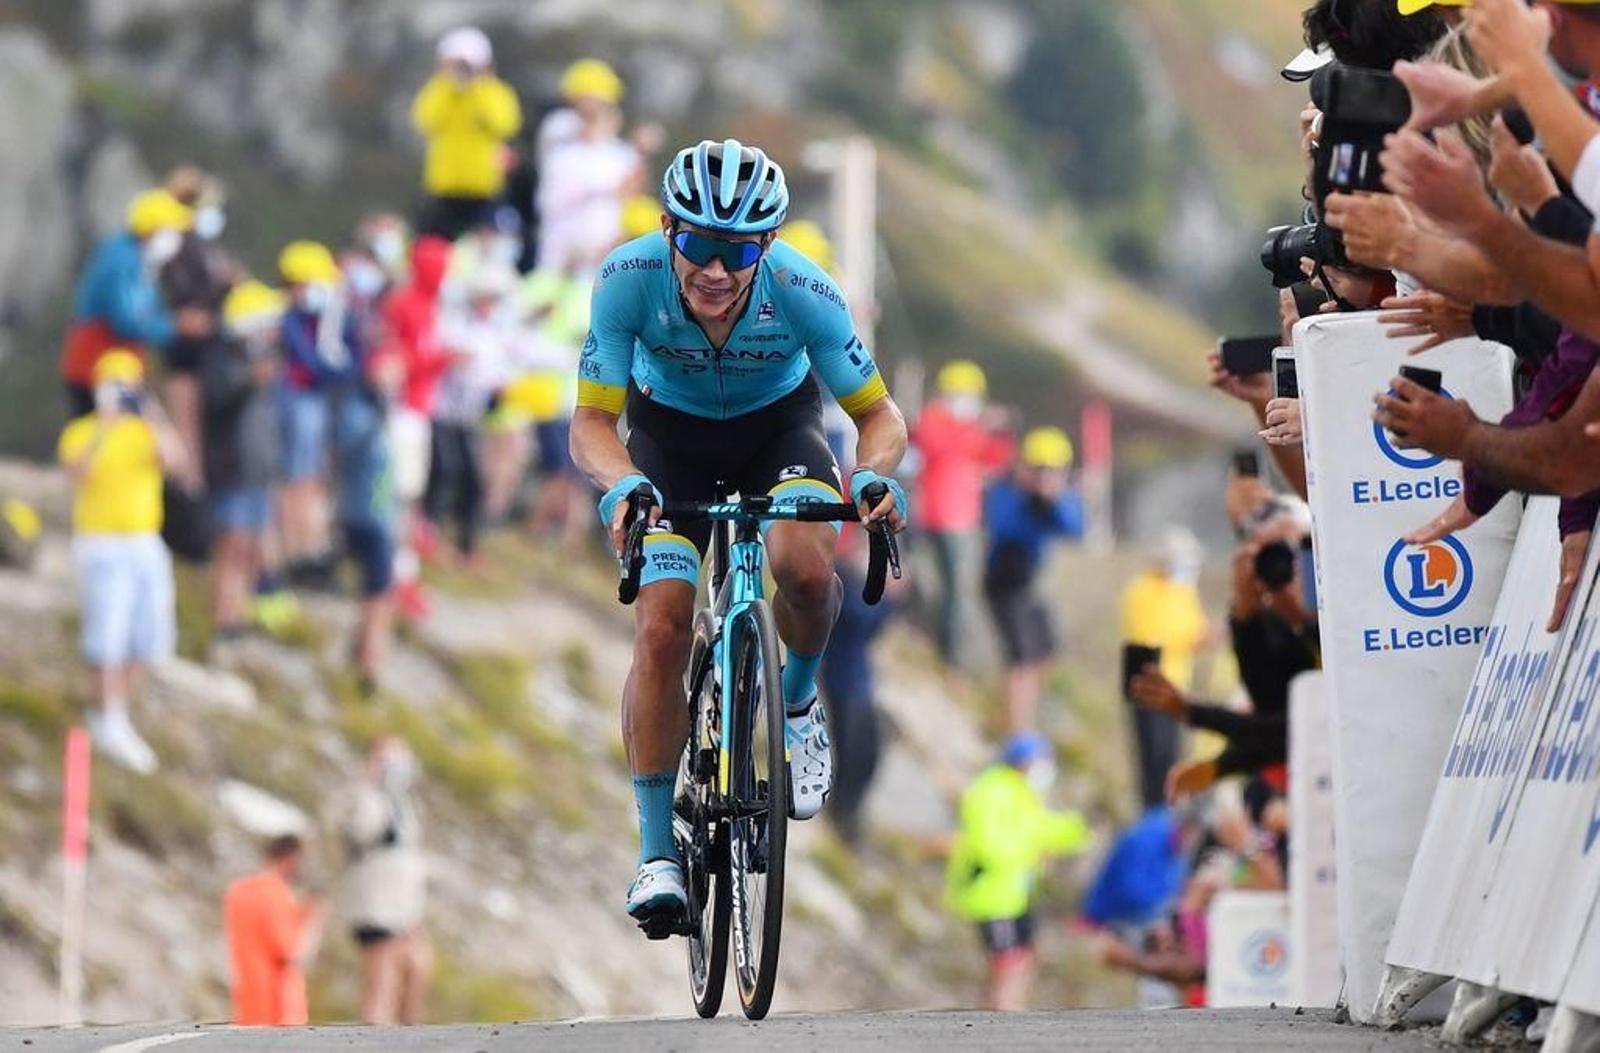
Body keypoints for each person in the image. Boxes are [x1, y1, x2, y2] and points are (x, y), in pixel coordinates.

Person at [569, 139, 909, 929]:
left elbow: (879, 415)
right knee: (661, 627)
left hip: (777, 433)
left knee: (807, 571)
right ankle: (658, 852)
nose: (717, 270)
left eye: (741, 250)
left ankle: (798, 700)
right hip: (667, 442)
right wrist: (623, 483)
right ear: (667, 228)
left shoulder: (802, 288)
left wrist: (871, 474)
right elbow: (591, 422)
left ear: (769, 244)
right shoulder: (627, 278)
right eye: (699, 243)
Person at [58, 351, 187, 773]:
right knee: (107, 634)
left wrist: (150, 413)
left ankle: (116, 711)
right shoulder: (82, 431)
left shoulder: (144, 431)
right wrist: (105, 427)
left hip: (144, 541)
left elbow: (175, 462)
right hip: (101, 543)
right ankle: (104, 715)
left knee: (149, 636)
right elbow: (75, 473)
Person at [946, 733, 1091, 1012]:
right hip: (991, 896)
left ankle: (1009, 1010)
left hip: (1016, 895)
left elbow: (1040, 827)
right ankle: (1000, 1014)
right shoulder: (989, 792)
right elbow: (989, 844)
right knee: (1007, 961)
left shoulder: (1022, 792)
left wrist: (1076, 830)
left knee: (1023, 957)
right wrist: (1029, 852)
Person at [910, 360, 1016, 669]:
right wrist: (979, 427)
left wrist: (1001, 431)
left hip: (964, 519)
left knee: (959, 592)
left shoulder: (972, 429)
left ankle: (950, 656)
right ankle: (940, 650)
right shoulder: (933, 421)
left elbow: (996, 459)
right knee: (939, 588)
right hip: (935, 517)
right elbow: (940, 447)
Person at [981, 426, 1086, 734]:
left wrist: (1053, 502)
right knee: (1022, 661)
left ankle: (1022, 721)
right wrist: (1030, 501)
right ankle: (1018, 732)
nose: (1045, 477)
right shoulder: (1007, 490)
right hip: (1005, 583)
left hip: (1030, 585)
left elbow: (1075, 528)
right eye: (1040, 469)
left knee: (1045, 654)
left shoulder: (1055, 499)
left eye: (1053, 471)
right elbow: (1002, 527)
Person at [202, 281, 285, 644]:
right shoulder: (223, 357)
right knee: (231, 546)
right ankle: (224, 618)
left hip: (256, 472)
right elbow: (219, 401)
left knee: (251, 546)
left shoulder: (260, 357)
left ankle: (239, 614)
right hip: (232, 470)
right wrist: (251, 379)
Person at [62, 189, 190, 416]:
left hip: (119, 368)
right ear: (152, 230)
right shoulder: (122, 262)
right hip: (96, 369)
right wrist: (176, 326)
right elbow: (127, 322)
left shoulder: (140, 259)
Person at [277, 240, 357, 583]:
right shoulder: (288, 320)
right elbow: (316, 365)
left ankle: (311, 549)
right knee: (297, 479)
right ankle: (295, 551)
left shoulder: (321, 319)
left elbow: (348, 361)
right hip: (297, 401)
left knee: (313, 479)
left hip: (315, 402)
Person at [335, 738, 430, 1025]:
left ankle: (408, 1037)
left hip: (405, 907)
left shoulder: (402, 804)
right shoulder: (363, 798)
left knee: (417, 968)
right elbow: (355, 832)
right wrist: (368, 782)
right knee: (381, 983)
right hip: (376, 906)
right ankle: (376, 1036)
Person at [1119, 527, 1208, 811]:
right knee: (1153, 758)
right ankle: (1153, 814)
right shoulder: (1141, 590)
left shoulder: (1183, 593)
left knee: (1171, 756)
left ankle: (1169, 812)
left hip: (1175, 686)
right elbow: (1150, 636)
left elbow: (1196, 630)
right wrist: (1191, 636)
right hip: (1147, 686)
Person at [160, 165, 239, 469]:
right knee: (187, 428)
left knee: (204, 430)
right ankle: (188, 487)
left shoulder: (205, 248)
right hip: (184, 349)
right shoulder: (175, 246)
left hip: (209, 349)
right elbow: (181, 298)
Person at [411, 27, 523, 241]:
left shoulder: (496, 93)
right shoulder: (439, 90)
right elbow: (425, 119)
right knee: (433, 245)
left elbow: (505, 125)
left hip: (485, 188)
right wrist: (448, 87)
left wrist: (478, 88)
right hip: (444, 187)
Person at [536, 58, 642, 275]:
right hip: (560, 246)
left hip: (601, 249)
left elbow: (629, 192)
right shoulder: (561, 138)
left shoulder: (621, 153)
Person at [223, 834, 326, 1027]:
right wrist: (314, 923)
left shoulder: (238, 891)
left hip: (247, 1005)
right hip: (278, 1012)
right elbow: (292, 953)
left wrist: (302, 914)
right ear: (293, 858)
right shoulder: (274, 894)